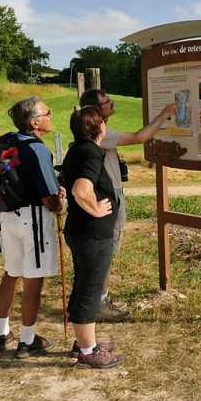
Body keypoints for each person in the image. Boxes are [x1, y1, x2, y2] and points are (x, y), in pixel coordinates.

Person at [78, 89, 176, 321]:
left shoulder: (91, 132)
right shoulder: (102, 134)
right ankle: (100, 302)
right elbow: (139, 137)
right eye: (106, 101)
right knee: (106, 252)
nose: (112, 101)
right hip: (109, 197)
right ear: (97, 110)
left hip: (106, 196)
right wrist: (164, 115)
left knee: (102, 252)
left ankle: (94, 298)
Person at [0, 96, 65, 358]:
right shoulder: (38, 149)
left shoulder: (6, 142)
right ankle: (28, 339)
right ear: (35, 121)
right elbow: (48, 198)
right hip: (33, 218)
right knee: (34, 280)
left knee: (11, 272)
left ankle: (1, 332)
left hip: (7, 216)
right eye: (48, 113)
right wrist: (60, 204)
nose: (50, 117)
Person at [61, 106, 123, 368]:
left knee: (83, 283)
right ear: (99, 129)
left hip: (79, 231)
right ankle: (88, 351)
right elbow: (79, 189)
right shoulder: (92, 154)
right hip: (92, 235)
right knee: (90, 288)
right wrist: (96, 208)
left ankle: (83, 341)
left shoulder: (76, 149)